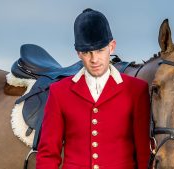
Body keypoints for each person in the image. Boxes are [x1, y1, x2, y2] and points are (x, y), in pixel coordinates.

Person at [36, 8, 150, 169]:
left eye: (100, 50)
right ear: (78, 54)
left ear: (112, 46)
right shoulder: (59, 92)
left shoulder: (137, 90)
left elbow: (144, 153)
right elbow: (48, 155)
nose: (94, 59)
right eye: (87, 52)